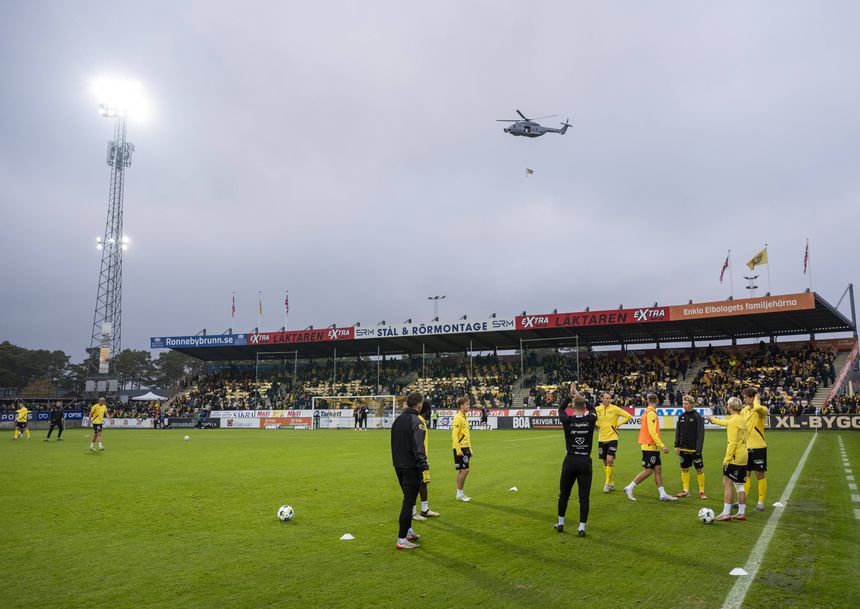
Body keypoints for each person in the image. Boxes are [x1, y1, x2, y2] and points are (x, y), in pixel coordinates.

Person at [709, 387, 768, 512]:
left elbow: (757, 408)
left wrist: (756, 399)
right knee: (746, 475)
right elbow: (730, 422)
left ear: (752, 397)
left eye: (746, 397)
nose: (744, 399)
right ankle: (742, 501)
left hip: (758, 447)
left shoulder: (762, 409)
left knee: (759, 474)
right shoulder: (744, 411)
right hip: (745, 448)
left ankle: (761, 502)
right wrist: (713, 420)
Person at [555, 384, 597, 537]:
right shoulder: (590, 419)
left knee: (564, 494)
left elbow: (560, 409)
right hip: (585, 461)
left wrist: (570, 396)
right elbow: (593, 409)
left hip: (570, 461)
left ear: (572, 406)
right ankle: (581, 528)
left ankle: (560, 523)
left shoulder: (568, 420)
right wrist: (580, 396)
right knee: (584, 497)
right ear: (584, 406)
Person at [390, 391, 430, 550]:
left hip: (398, 465)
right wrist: (423, 464)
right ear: (419, 404)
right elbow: (418, 446)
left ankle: (408, 531)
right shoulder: (417, 421)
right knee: (408, 502)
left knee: (410, 500)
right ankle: (401, 539)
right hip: (411, 467)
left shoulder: (398, 420)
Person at [623, 393, 676, 501]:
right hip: (649, 446)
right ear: (657, 401)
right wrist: (662, 445)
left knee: (658, 469)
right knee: (649, 470)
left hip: (650, 445)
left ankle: (662, 494)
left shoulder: (647, 412)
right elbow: (652, 432)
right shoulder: (651, 413)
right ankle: (629, 487)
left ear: (647, 401)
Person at [712, 397, 748, 521]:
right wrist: (713, 419)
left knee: (727, 482)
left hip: (735, 456)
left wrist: (726, 459)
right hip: (744, 455)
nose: (726, 406)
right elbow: (727, 423)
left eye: (727, 404)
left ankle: (726, 513)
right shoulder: (741, 419)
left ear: (730, 407)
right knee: (739, 484)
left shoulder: (733, 421)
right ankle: (741, 513)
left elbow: (732, 443)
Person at [593, 390, 633, 493]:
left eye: (609, 398)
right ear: (602, 398)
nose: (608, 400)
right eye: (606, 398)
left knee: (610, 459)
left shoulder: (615, 408)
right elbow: (591, 418)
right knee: (605, 461)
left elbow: (629, 416)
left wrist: (618, 424)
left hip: (612, 437)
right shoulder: (597, 409)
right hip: (601, 438)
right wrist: (598, 424)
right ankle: (611, 483)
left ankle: (607, 484)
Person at [673, 395, 706, 499]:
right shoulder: (681, 416)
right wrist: (677, 445)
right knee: (684, 469)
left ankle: (702, 492)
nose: (684, 405)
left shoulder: (698, 416)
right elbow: (678, 432)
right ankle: (686, 491)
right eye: (683, 403)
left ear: (692, 404)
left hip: (694, 449)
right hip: (683, 448)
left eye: (686, 403)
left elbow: (701, 434)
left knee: (699, 469)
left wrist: (698, 449)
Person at [412, 401, 440, 521]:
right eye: (430, 410)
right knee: (415, 485)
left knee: (424, 483)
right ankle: (413, 512)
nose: (431, 413)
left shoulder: (422, 422)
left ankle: (425, 510)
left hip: (422, 458)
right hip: (418, 460)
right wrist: (421, 460)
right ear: (427, 410)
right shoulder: (418, 422)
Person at [452, 396, 473, 502]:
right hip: (461, 448)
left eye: (469, 404)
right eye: (467, 404)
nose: (469, 406)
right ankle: (459, 494)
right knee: (465, 471)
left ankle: (460, 493)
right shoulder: (458, 418)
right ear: (461, 406)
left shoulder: (464, 417)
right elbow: (454, 435)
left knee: (462, 470)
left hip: (465, 447)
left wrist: (470, 448)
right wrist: (458, 449)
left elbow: (466, 434)